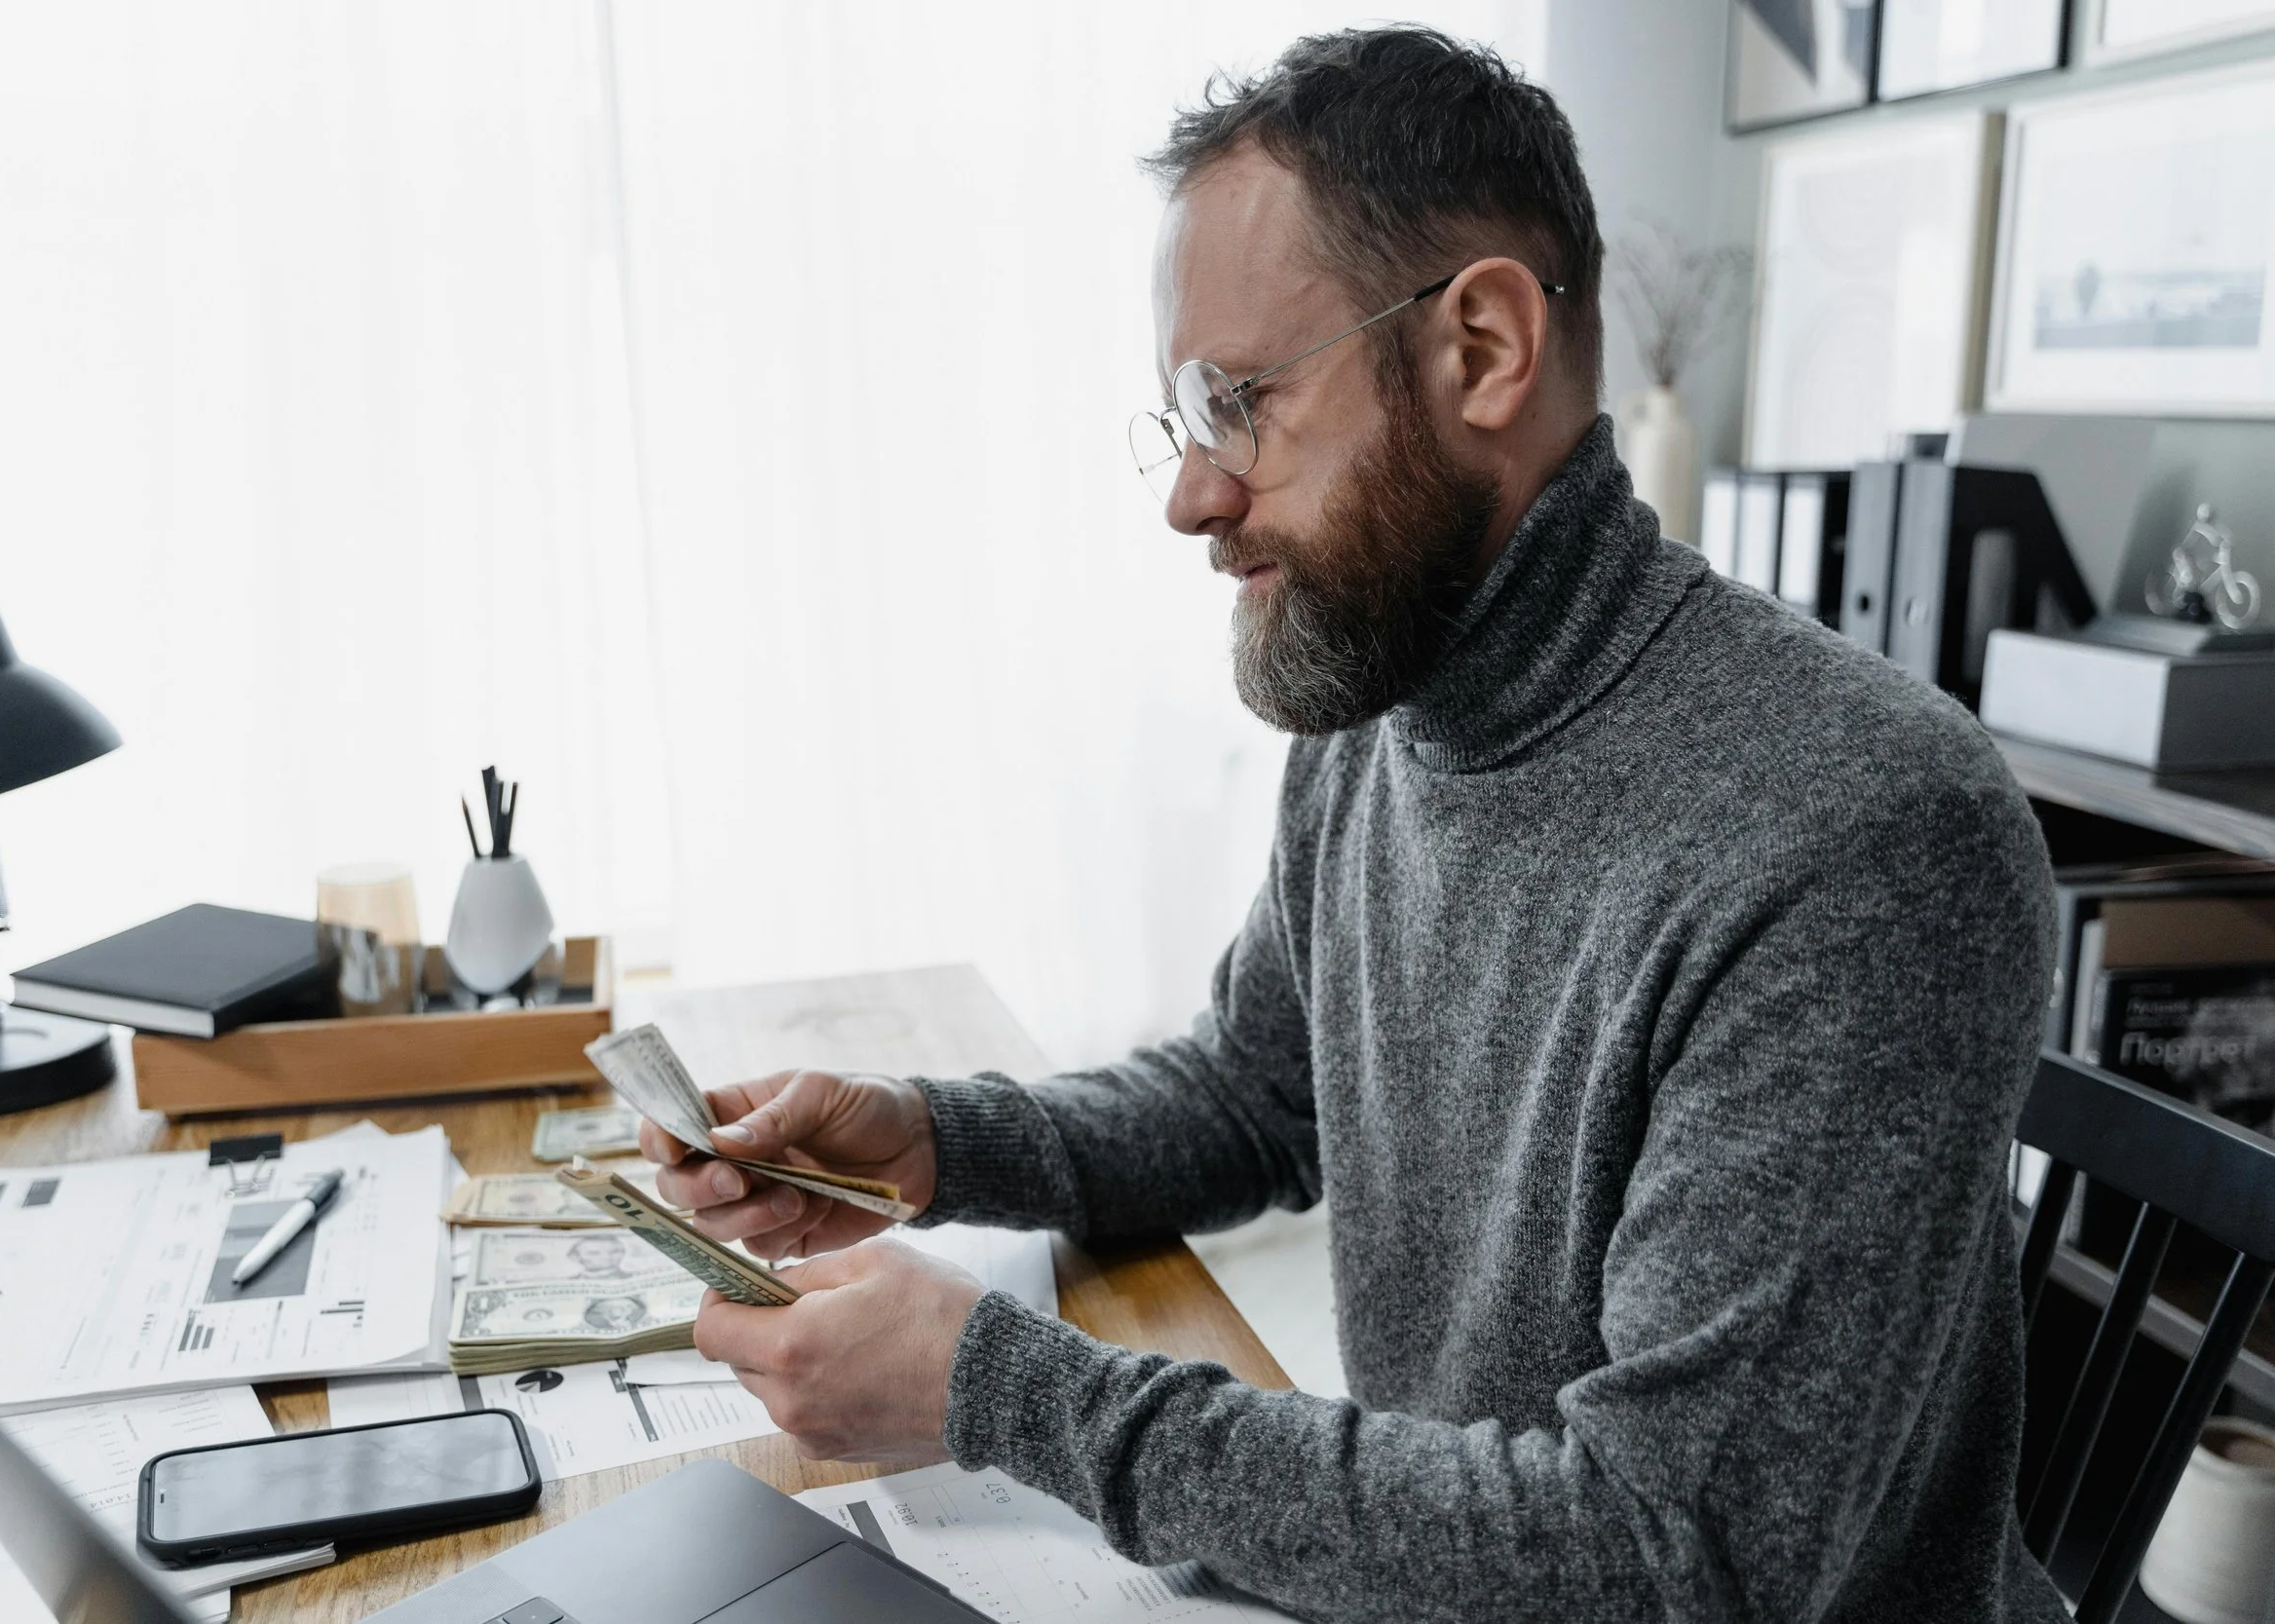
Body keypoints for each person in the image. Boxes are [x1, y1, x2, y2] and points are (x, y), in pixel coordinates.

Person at [651, 26, 2065, 1622]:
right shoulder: (1390, 696)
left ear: (1481, 349)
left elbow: (1677, 1558)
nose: (1191, 493)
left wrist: (1005, 1394)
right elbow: (1261, 1091)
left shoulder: (1862, 835)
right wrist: (935, 1138)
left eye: (1237, 400)